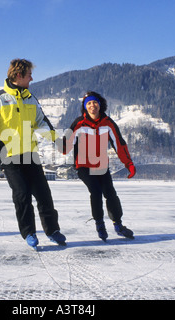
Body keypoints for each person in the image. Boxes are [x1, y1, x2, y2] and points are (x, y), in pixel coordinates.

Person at [0, 59, 66, 249]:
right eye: (29, 75)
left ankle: (53, 230)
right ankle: (29, 232)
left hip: (30, 154)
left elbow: (41, 122)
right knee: (22, 194)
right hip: (8, 155)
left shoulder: (31, 99)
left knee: (44, 194)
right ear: (18, 75)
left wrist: (56, 139)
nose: (32, 78)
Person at [58, 91, 136, 241]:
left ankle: (118, 224)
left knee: (110, 193)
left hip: (101, 165)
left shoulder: (108, 123)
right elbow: (66, 146)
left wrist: (129, 164)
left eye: (94, 102)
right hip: (83, 166)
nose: (92, 105)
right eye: (88, 103)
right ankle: (100, 224)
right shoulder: (79, 123)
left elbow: (119, 144)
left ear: (100, 105)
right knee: (96, 191)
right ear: (85, 107)